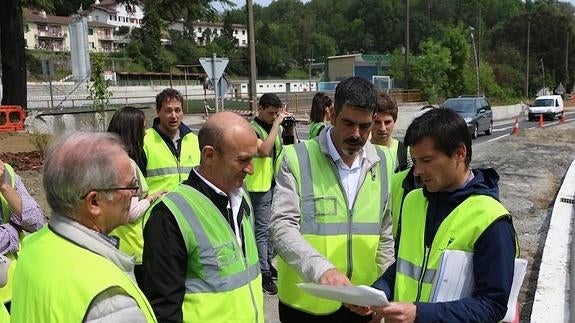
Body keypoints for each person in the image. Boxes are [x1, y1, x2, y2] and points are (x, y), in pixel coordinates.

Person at [366, 108, 517, 322]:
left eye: (426, 160)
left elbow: (492, 305)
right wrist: (378, 293)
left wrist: (420, 314)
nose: (417, 171)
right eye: (415, 161)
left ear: (459, 153)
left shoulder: (491, 219)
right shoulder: (412, 201)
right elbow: (402, 265)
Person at [270, 76, 394, 322]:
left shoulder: (385, 161)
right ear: (332, 114)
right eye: (348, 123)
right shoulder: (296, 158)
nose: (356, 134)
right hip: (306, 306)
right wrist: (322, 270)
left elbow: (385, 233)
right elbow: (281, 227)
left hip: (360, 304)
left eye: (365, 126)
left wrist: (381, 291)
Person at [10, 132, 157, 322]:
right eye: (130, 186)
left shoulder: (33, 246)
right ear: (94, 202)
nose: (134, 194)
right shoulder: (110, 301)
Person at [140, 111, 264, 323]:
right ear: (209, 155)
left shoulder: (242, 198)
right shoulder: (169, 215)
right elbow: (163, 309)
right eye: (243, 160)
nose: (251, 169)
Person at [107, 106, 167, 282]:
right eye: (142, 128)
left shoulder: (103, 160)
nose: (145, 133)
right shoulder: (127, 166)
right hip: (131, 246)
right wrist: (152, 197)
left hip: (111, 242)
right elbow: (131, 212)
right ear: (132, 131)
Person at [245, 93, 291, 295]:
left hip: (273, 184)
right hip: (257, 187)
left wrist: (288, 128)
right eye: (271, 113)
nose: (274, 117)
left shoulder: (276, 127)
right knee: (261, 232)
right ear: (260, 109)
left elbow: (288, 148)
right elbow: (264, 150)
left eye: (276, 113)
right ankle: (263, 272)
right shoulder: (250, 129)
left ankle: (267, 263)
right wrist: (276, 126)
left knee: (272, 229)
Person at [0, 159, 44, 311]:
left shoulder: (7, 173)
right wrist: (14, 230)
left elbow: (36, 223)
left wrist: (4, 186)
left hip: (17, 289)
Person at [143, 88, 200, 193]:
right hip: (158, 207)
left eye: (177, 110)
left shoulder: (195, 141)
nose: (174, 116)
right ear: (158, 112)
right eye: (168, 111)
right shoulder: (144, 140)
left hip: (188, 206)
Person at [371, 92, 411, 173]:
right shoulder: (361, 152)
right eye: (377, 122)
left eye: (387, 122)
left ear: (394, 121)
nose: (382, 128)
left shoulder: (406, 153)